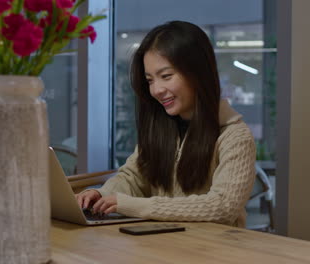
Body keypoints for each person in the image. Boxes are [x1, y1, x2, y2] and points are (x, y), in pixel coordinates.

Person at [76, 21, 256, 227]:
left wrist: (136, 206)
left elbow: (223, 207)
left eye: (166, 76)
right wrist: (101, 194)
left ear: (198, 73)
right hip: (163, 246)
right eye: (150, 80)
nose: (156, 90)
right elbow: (132, 178)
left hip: (215, 252)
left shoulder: (235, 136)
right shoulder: (161, 127)